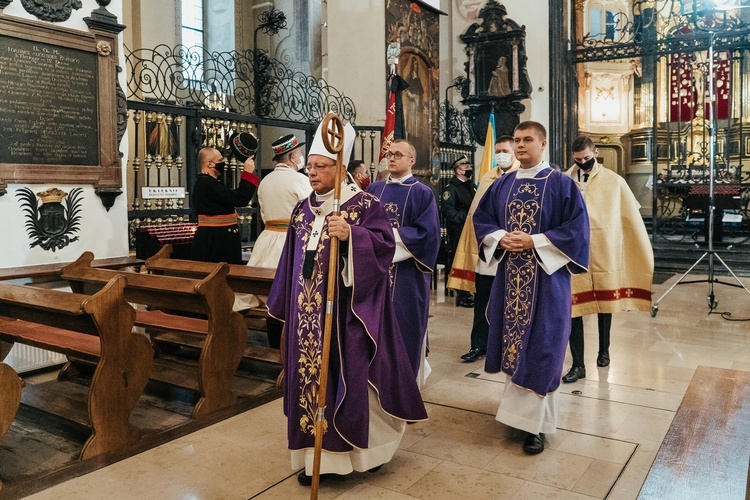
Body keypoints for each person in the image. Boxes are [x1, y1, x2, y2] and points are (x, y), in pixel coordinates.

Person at [266, 119, 428, 486]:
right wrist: (286, 305)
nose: (312, 173)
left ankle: (357, 456)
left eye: (321, 167)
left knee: (349, 379)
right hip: (306, 315)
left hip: (347, 315)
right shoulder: (302, 210)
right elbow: (291, 262)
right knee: (309, 385)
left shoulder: (365, 205)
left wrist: (353, 236)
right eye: (309, 167)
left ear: (340, 168)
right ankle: (313, 458)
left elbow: (385, 249)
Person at [473, 121, 589, 455]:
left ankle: (537, 427)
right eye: (518, 140)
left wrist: (534, 240)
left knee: (544, 348)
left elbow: (577, 231)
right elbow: (482, 220)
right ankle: (516, 416)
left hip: (547, 282)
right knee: (513, 343)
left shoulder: (561, 184)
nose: (521, 146)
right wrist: (500, 237)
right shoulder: (502, 184)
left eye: (528, 140)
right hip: (510, 280)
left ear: (543, 143)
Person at [561, 135, 654, 383]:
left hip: (604, 249)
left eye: (587, 159)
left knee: (604, 303)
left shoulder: (615, 181)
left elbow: (629, 216)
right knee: (574, 308)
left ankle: (604, 350)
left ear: (596, 152)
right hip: (574, 252)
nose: (583, 164)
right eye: (578, 160)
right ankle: (578, 364)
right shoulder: (563, 180)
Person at [366, 139, 441, 384]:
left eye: (399, 154)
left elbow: (427, 235)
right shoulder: (374, 190)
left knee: (405, 328)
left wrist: (387, 240)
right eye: (389, 153)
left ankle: (404, 390)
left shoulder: (422, 192)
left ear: (411, 161)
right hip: (375, 273)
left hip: (407, 274)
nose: (392, 157)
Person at [448, 136, 520, 362]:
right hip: (488, 251)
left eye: (505, 150)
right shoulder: (488, 177)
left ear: (515, 151)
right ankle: (479, 345)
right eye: (497, 150)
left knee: (513, 304)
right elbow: (475, 216)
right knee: (482, 304)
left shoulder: (524, 176)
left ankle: (510, 347)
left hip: (514, 252)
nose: (501, 154)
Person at [238, 133, 311, 348]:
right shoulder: (300, 180)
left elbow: (263, 215)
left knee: (268, 293)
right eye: (299, 154)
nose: (301, 158)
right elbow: (310, 212)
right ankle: (290, 348)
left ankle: (272, 343)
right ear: (291, 158)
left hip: (267, 240)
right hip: (290, 240)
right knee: (289, 294)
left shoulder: (265, 181)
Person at [190, 143, 259, 264]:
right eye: (220, 160)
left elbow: (222, 203)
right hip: (216, 241)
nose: (223, 163)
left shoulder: (208, 182)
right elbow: (239, 199)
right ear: (210, 163)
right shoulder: (207, 183)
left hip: (217, 238)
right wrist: (247, 172)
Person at [442, 155, 476, 307]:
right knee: (459, 259)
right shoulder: (451, 189)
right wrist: (467, 216)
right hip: (458, 230)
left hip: (473, 229)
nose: (470, 170)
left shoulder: (471, 186)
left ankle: (470, 289)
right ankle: (461, 294)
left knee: (471, 259)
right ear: (458, 171)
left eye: (470, 167)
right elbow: (448, 211)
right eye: (466, 168)